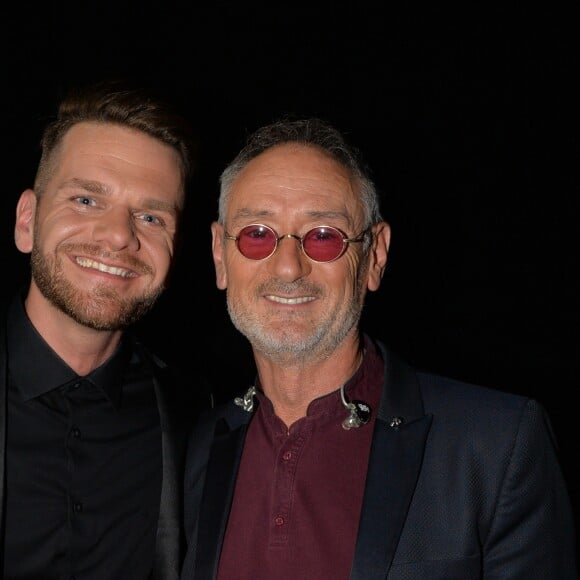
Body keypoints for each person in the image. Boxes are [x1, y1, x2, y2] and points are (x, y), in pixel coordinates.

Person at [180, 117, 578, 579]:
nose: (288, 267)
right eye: (257, 234)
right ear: (218, 254)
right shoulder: (202, 444)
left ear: (374, 255)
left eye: (324, 236)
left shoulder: (493, 445)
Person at [0, 80, 210, 579]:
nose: (120, 234)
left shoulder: (195, 416)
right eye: (87, 200)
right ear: (27, 221)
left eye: (151, 216)